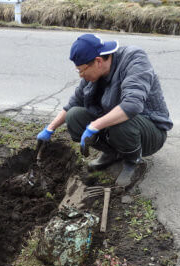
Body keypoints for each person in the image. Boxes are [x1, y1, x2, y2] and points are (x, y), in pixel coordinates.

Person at [36, 34, 172, 188]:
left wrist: (95, 126)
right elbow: (73, 104)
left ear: (98, 61)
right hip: (121, 128)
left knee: (120, 123)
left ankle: (132, 161)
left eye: (81, 70)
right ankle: (113, 153)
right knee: (74, 116)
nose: (81, 75)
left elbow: (132, 105)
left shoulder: (134, 59)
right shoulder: (93, 75)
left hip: (150, 131)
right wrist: (49, 129)